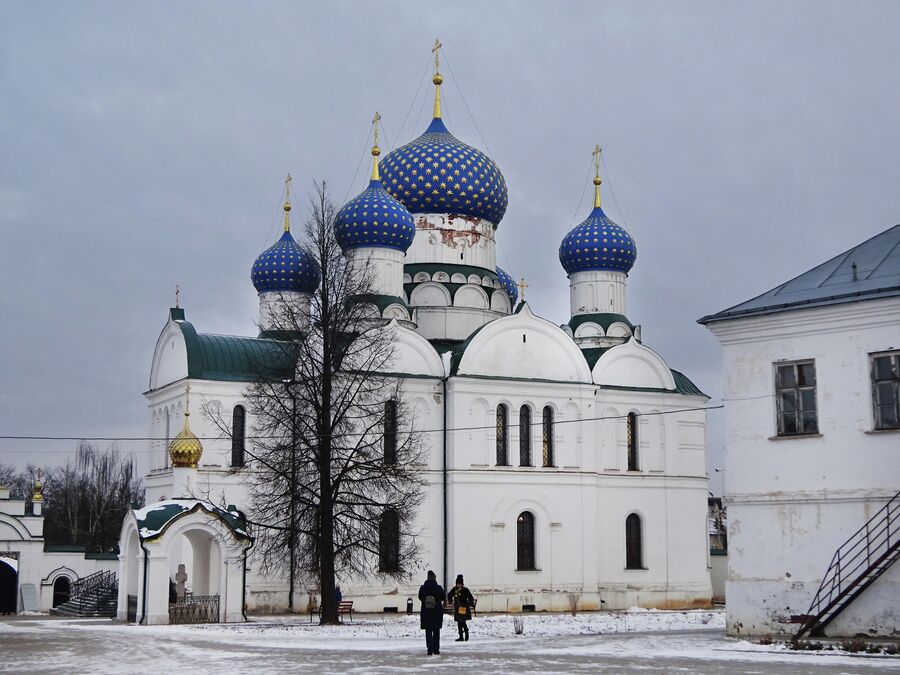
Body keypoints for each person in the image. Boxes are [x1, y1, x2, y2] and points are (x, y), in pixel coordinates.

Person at [418, 570, 446, 655]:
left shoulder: (423, 588)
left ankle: (429, 649)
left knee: (428, 631)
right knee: (436, 631)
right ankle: (436, 649)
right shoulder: (438, 588)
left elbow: (420, 597)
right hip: (436, 612)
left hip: (426, 612)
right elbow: (443, 597)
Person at [447, 574, 475, 641]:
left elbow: (470, 597)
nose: (459, 585)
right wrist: (450, 601)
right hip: (457, 607)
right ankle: (461, 636)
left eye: (460, 584)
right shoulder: (454, 589)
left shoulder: (465, 590)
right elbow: (449, 595)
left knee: (462, 621)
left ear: (462, 584)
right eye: (458, 584)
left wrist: (471, 603)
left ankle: (466, 633)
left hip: (464, 607)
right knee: (459, 622)